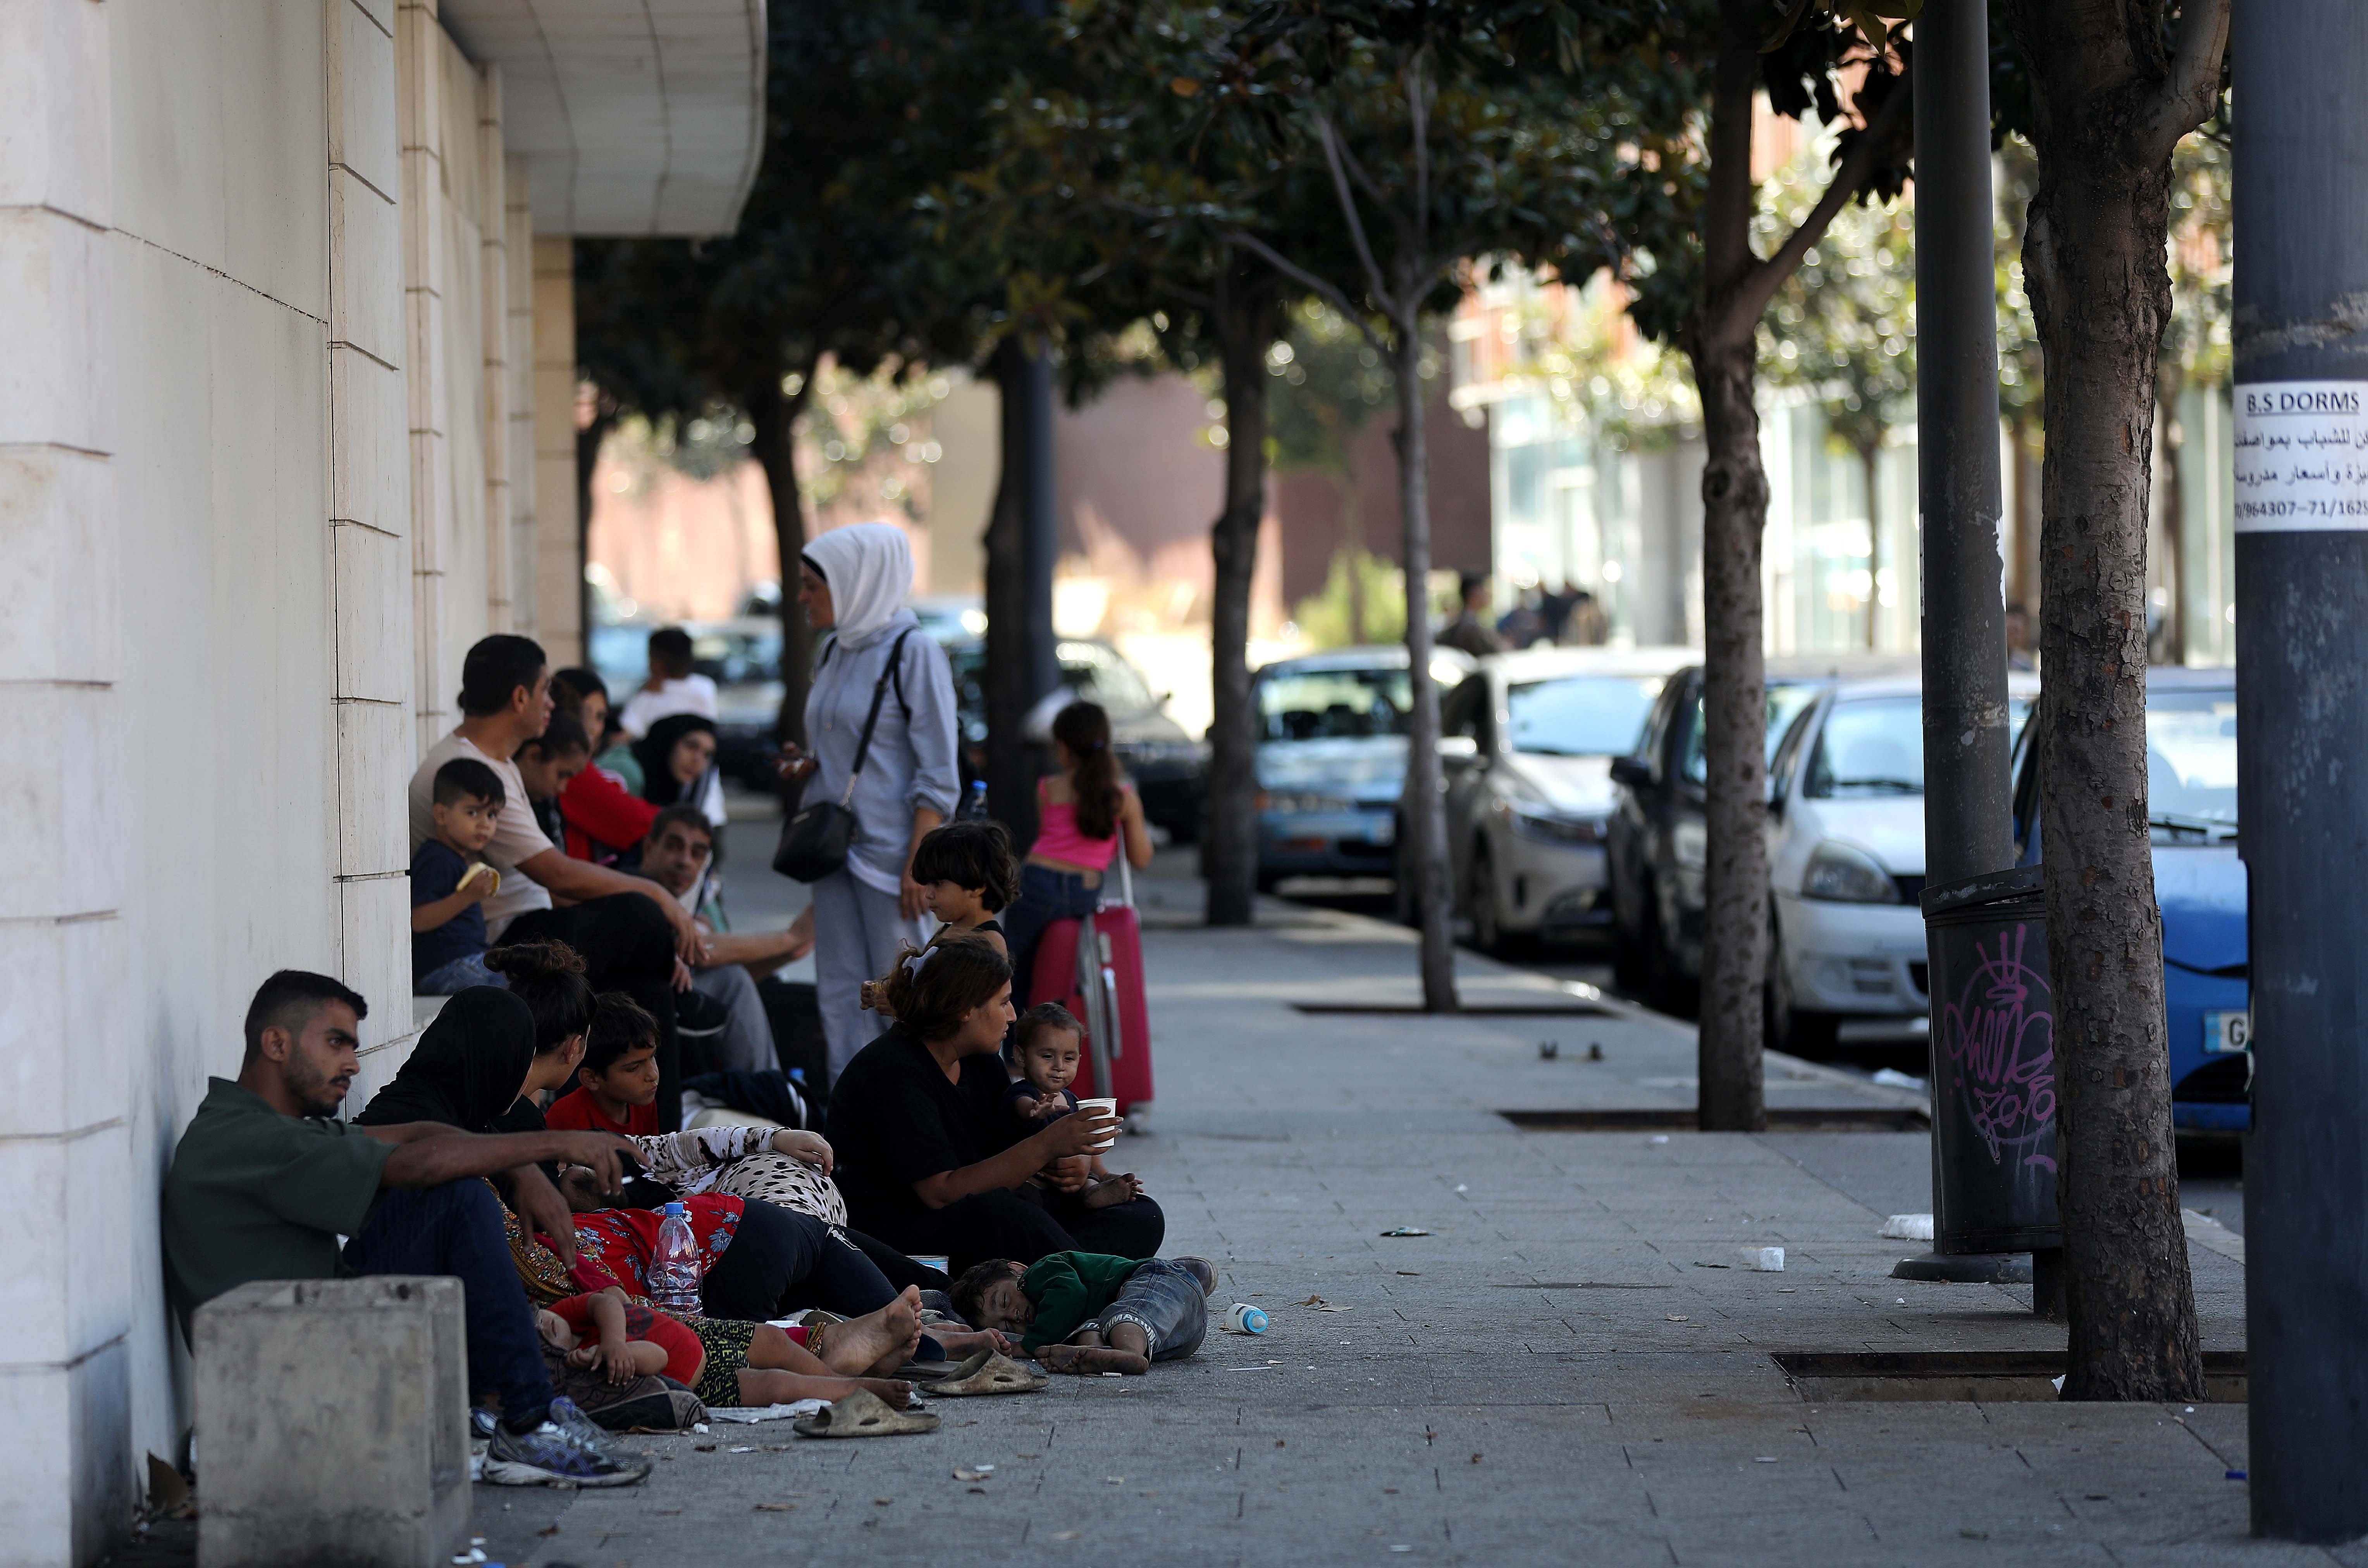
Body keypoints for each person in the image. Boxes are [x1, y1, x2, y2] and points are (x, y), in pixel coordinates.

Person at [161, 971, 648, 1487]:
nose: (351, 1063)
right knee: (459, 1199)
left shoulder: (256, 1126)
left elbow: (418, 1132)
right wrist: (552, 1146)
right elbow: (417, 1163)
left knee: (456, 1195)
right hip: (290, 1371)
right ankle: (527, 1420)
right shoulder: (247, 1142)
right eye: (335, 1043)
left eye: (353, 1046)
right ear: (276, 1043)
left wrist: (522, 1170)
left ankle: (500, 1414)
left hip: (318, 1329)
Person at [406, 634, 700, 1126]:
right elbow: (557, 873)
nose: (552, 703)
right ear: (521, 698)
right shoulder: (470, 769)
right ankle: (652, 1126)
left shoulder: (495, 762)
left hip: (529, 923)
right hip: (497, 943)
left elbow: (560, 882)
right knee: (642, 916)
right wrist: (656, 894)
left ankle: (641, 1125)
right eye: (546, 690)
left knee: (645, 955)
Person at [828, 936, 1164, 1271]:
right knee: (1009, 1215)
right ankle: (1107, 1280)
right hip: (905, 1236)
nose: (1013, 1016)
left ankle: (1082, 1275)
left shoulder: (978, 1059)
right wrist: (1046, 1145)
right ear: (964, 1009)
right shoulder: (895, 1073)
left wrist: (1070, 1162)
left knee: (1140, 1215)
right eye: (1003, 1002)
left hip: (986, 1207)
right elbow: (940, 1192)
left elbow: (1006, 1144)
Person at [774, 522, 960, 1081]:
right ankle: (851, 1118)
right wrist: (807, 762)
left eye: (813, 585)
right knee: (840, 989)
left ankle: (923, 1117)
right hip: (833, 850)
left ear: (858, 582)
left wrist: (918, 863)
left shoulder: (914, 652)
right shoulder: (833, 649)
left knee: (907, 993)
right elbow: (848, 742)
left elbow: (938, 771)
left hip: (892, 857)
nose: (802, 596)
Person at [997, 701, 1153, 1006]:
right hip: (1084, 891)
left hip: (1038, 883)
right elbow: (1141, 859)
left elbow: (1048, 839)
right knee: (1073, 972)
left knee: (1012, 973)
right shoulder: (1122, 797)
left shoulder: (1049, 788)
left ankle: (1012, 1047)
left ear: (1063, 748)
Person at [537, 1286, 918, 1411]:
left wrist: (613, 1337)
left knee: (771, 1339)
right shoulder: (581, 1373)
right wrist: (608, 1355)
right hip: (701, 1383)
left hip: (696, 1334)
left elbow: (607, 1300)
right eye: (538, 1334)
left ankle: (842, 1374)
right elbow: (658, 1360)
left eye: (534, 1315)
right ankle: (860, 1390)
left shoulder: (560, 1315)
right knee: (775, 1386)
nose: (542, 1322)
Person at [640, 806, 813, 1076]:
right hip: (640, 1012)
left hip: (680, 1014)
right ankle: (767, 1096)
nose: (685, 861)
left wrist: (788, 953)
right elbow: (698, 954)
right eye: (675, 847)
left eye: (697, 854)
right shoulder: (636, 887)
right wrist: (790, 938)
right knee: (734, 979)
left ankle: (769, 1093)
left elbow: (719, 971)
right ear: (649, 848)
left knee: (789, 997)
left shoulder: (699, 904)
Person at [951, 1253, 1216, 1375]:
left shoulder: (1042, 1272)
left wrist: (1027, 1346)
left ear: (1018, 1270)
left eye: (1006, 1301)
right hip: (1175, 1341)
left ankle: (1128, 1355)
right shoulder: (1057, 1323)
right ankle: (1094, 1357)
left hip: (1161, 1281)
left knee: (1127, 1312)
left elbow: (1071, 1294)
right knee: (1090, 1330)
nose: (1016, 1316)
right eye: (1007, 1323)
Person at [1003, 1003, 1144, 1211]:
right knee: (1025, 1200)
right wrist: (1035, 1109)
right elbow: (1021, 1106)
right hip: (1036, 1186)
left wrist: (1103, 1172)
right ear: (1021, 1056)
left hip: (1074, 1184)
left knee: (1093, 1179)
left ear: (1079, 1059)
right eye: (1047, 1057)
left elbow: (1088, 1146)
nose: (1059, 1066)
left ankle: (1097, 1190)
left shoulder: (1071, 1099)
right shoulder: (1024, 1093)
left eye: (1069, 1058)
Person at [412, 758, 506, 994]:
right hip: (444, 966)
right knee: (513, 991)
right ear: (442, 815)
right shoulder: (437, 859)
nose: (485, 824)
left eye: (492, 815)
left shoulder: (454, 858)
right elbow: (417, 920)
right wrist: (467, 897)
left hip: (466, 960)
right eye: (473, 813)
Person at [553, 665, 657, 818]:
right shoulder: (567, 772)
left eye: (600, 718)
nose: (594, 729)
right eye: (584, 714)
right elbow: (633, 818)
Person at [913, 818, 1017, 957]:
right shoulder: (950, 933)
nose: (929, 894)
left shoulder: (988, 945)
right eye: (928, 884)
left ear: (977, 887)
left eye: (938, 884)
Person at [616, 625, 718, 739]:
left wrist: (642, 691)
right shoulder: (706, 687)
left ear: (658, 663)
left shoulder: (648, 697)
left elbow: (623, 737)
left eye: (651, 657)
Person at [515, 711, 592, 849]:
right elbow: (555, 870)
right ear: (534, 756)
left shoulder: (548, 802)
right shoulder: (508, 802)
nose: (563, 788)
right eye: (562, 775)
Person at [634, 712, 725, 829]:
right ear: (669, 743)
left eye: (707, 755)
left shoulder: (683, 789)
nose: (697, 760)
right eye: (691, 746)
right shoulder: (629, 774)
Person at [1437, 573, 1506, 658]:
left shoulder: (1461, 622)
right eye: (1484, 590)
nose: (1488, 595)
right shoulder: (1468, 627)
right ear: (1475, 594)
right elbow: (1491, 654)